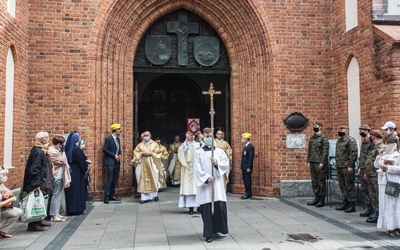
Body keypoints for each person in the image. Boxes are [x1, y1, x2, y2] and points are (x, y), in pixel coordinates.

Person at [193, 127, 230, 243]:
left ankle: (218, 229)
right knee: (207, 209)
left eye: (210, 136)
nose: (209, 138)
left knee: (218, 207)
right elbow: (197, 169)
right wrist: (207, 177)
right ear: (203, 136)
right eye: (207, 136)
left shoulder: (219, 151)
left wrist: (217, 163)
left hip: (217, 185)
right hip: (206, 185)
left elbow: (226, 163)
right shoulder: (198, 153)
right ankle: (208, 233)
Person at [23, 131, 54, 231]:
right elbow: (34, 169)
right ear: (42, 140)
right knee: (34, 202)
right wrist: (36, 183)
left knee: (39, 201)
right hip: (35, 182)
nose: (48, 139)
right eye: (46, 138)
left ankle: (39, 221)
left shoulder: (41, 151)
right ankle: (33, 224)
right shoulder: (38, 152)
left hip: (39, 180)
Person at [374, 135, 400, 237]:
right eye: (386, 143)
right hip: (382, 182)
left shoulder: (398, 155)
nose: (386, 145)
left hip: (393, 182)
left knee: (394, 205)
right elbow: (376, 165)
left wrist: (388, 168)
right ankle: (389, 226)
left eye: (389, 143)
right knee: (385, 205)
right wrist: (379, 156)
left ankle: (397, 226)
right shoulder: (384, 154)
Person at [131, 131, 164, 204]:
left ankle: (154, 195)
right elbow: (135, 152)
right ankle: (144, 198)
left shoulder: (155, 144)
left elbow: (159, 153)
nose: (145, 137)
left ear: (150, 135)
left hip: (152, 163)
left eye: (147, 135)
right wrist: (141, 153)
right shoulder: (140, 145)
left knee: (154, 178)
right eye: (144, 135)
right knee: (142, 179)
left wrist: (151, 153)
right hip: (143, 163)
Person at [335, 126, 358, 213]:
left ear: (347, 131)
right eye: (340, 130)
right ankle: (345, 202)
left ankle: (352, 204)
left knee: (349, 185)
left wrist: (350, 165)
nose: (340, 131)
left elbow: (353, 153)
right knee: (342, 185)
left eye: (342, 130)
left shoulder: (350, 140)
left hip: (346, 166)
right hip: (340, 166)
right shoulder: (339, 140)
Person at [64, 132, 88, 215]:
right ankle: (77, 208)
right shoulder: (77, 149)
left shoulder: (68, 148)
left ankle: (70, 208)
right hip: (77, 171)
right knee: (78, 190)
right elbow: (82, 161)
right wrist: (85, 169)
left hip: (70, 170)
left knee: (71, 191)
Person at [306, 122, 329, 207]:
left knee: (321, 181)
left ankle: (321, 199)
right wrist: (308, 161)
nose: (315, 127)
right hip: (312, 162)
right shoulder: (312, 138)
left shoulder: (323, 138)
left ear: (320, 127)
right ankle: (316, 198)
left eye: (317, 126)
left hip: (319, 163)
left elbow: (325, 151)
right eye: (314, 126)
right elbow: (309, 150)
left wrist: (322, 162)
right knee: (314, 181)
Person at [364, 129, 384, 223]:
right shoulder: (374, 147)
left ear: (373, 136)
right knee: (373, 195)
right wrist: (366, 172)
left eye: (371, 136)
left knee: (377, 195)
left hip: (376, 175)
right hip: (370, 174)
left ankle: (378, 213)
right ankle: (376, 211)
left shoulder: (381, 148)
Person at [178, 131, 200, 214]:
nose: (192, 136)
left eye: (193, 135)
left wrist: (201, 138)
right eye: (190, 135)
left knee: (197, 189)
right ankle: (191, 208)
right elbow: (182, 151)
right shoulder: (184, 145)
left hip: (196, 169)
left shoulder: (198, 144)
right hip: (187, 168)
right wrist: (186, 141)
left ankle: (199, 207)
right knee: (189, 189)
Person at [48, 135, 68, 222]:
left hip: (58, 174)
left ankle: (56, 213)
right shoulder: (53, 152)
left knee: (58, 195)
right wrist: (63, 152)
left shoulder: (54, 150)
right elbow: (63, 161)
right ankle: (53, 215)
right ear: (59, 144)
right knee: (56, 195)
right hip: (56, 175)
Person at [0, 167, 22, 238]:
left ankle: (2, 230)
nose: (5, 177)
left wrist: (7, 194)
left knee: (17, 211)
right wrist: (10, 200)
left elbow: (9, 192)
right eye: (3, 175)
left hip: (2, 209)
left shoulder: (1, 184)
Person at [103, 124, 122, 204]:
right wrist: (114, 155)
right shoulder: (109, 139)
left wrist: (120, 154)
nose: (120, 132)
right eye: (119, 130)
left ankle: (112, 195)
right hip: (111, 161)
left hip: (117, 161)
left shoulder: (118, 139)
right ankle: (106, 197)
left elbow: (118, 149)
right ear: (116, 130)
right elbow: (105, 149)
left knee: (115, 178)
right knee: (110, 179)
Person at [358, 124, 374, 217]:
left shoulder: (370, 142)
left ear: (367, 131)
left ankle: (373, 209)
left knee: (370, 190)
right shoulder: (364, 141)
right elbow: (362, 156)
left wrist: (366, 170)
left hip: (368, 169)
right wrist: (360, 167)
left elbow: (369, 157)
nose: (360, 133)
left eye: (362, 131)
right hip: (363, 168)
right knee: (364, 189)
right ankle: (369, 208)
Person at [241, 132, 255, 199]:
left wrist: (249, 167)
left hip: (247, 167)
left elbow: (250, 158)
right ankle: (247, 192)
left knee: (247, 180)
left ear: (247, 139)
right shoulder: (246, 146)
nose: (242, 139)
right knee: (245, 180)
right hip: (244, 166)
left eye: (243, 138)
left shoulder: (250, 147)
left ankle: (248, 194)